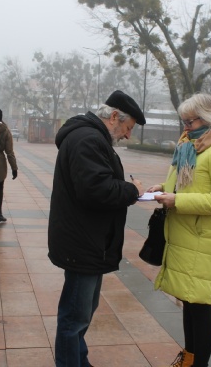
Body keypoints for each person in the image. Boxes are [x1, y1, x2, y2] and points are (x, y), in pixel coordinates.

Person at [147, 94, 211, 367]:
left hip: (205, 237)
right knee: (190, 302)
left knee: (200, 305)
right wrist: (164, 189)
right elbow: (188, 183)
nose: (186, 127)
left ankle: (197, 363)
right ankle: (189, 359)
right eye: (184, 121)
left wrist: (177, 201)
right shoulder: (193, 144)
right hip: (187, 233)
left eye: (190, 121)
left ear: (209, 116)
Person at [48, 90, 146, 367]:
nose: (128, 135)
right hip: (83, 241)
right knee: (75, 315)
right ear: (114, 116)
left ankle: (80, 360)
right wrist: (132, 190)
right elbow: (95, 189)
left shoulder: (90, 137)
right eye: (128, 128)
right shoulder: (88, 139)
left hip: (88, 239)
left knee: (84, 310)